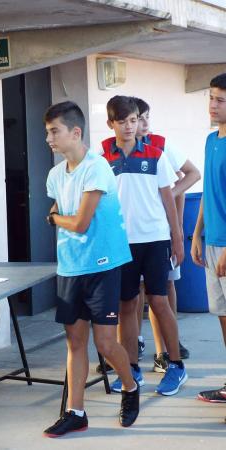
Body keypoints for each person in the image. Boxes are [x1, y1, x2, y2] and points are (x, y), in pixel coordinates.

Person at [42, 101, 139, 438]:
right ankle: (76, 412)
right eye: (47, 132)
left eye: (55, 132)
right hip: (70, 266)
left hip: (102, 265)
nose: (49, 139)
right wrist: (58, 215)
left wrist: (54, 219)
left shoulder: (96, 168)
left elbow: (80, 223)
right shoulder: (55, 175)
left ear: (76, 132)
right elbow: (61, 206)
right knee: (74, 342)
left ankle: (129, 388)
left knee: (106, 344)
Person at [100, 95, 186, 396]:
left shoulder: (155, 155)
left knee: (159, 302)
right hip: (122, 244)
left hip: (155, 239)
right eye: (122, 121)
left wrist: (178, 239)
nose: (129, 126)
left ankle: (175, 365)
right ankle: (132, 368)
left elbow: (169, 199)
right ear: (111, 123)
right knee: (127, 305)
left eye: (133, 120)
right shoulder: (102, 158)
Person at [133, 97, 200, 371]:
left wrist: (168, 200)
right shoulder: (116, 152)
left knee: (163, 288)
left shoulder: (161, 145)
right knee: (132, 293)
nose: (145, 123)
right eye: (139, 118)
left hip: (161, 232)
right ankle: (133, 345)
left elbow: (191, 175)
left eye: (147, 117)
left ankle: (167, 350)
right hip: (134, 235)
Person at [192, 73, 226, 410]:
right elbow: (207, 195)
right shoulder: (210, 140)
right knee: (222, 315)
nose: (213, 106)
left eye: (220, 100)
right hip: (212, 240)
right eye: (211, 98)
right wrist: (197, 234)